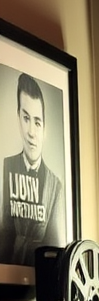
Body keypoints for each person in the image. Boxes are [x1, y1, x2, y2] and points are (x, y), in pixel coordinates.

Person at [0, 73, 65, 266]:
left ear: (44, 129)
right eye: (26, 118)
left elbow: (53, 249)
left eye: (37, 122)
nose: (31, 132)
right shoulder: (4, 168)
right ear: (18, 118)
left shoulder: (56, 187)